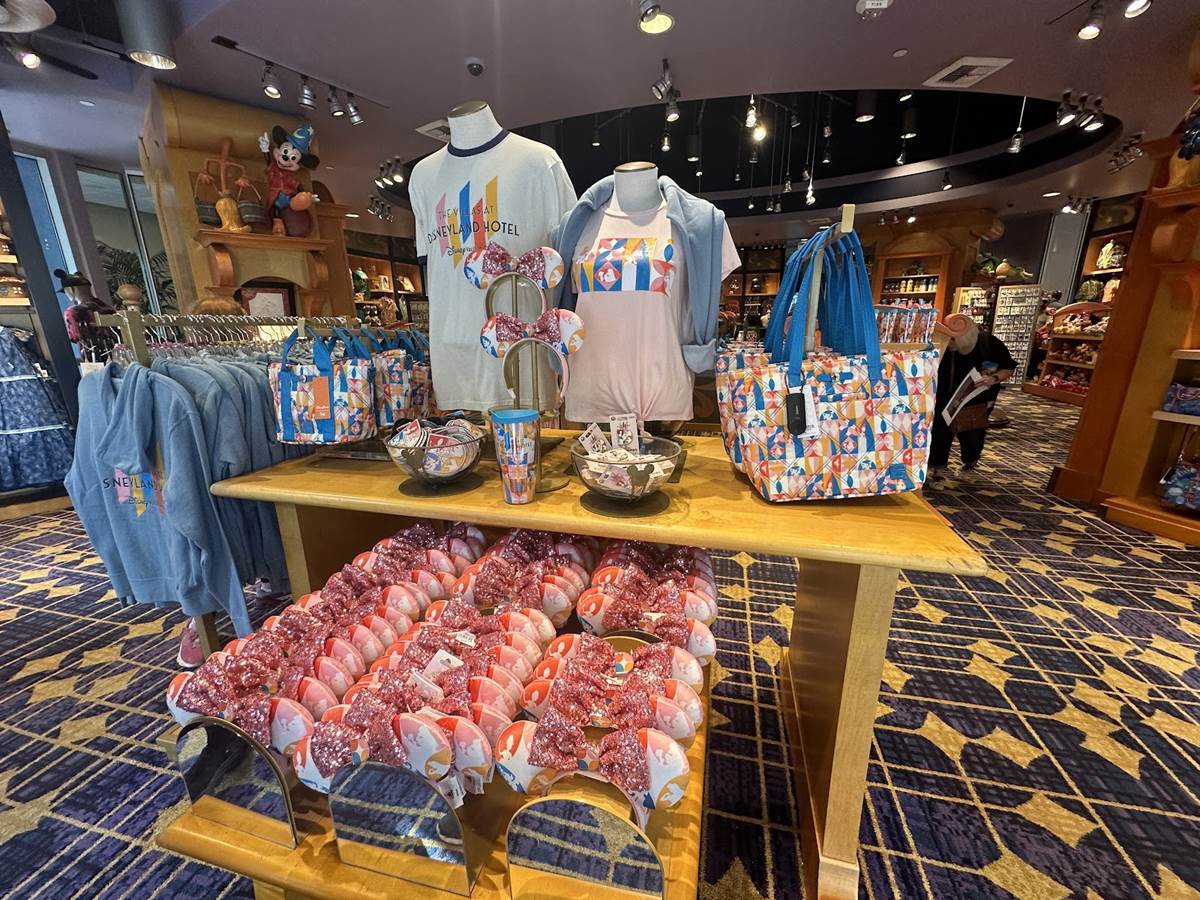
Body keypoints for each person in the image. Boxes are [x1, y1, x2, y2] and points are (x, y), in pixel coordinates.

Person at [928, 314, 1016, 488]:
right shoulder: (941, 346)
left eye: (953, 338)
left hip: (977, 398)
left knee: (972, 434)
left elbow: (1008, 367)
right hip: (944, 396)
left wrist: (993, 378)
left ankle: (970, 464)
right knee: (940, 432)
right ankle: (937, 471)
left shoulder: (988, 343)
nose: (950, 342)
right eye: (947, 337)